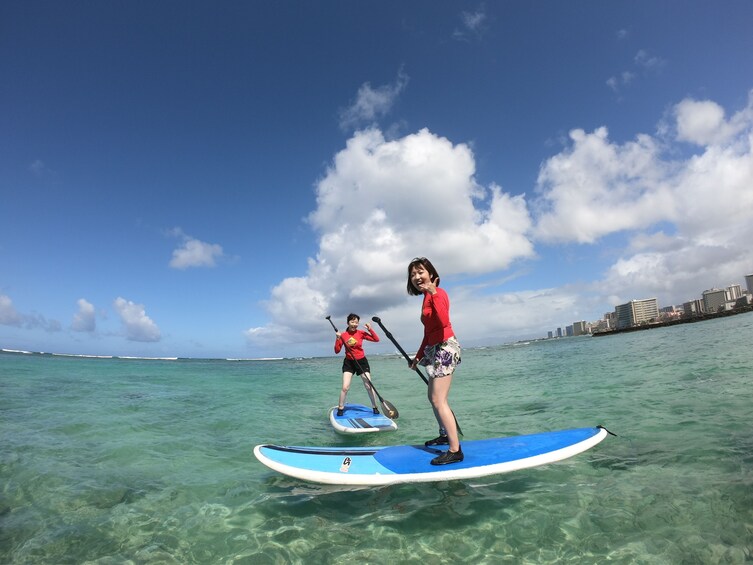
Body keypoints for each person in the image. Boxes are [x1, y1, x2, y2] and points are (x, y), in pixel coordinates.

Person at [407, 257, 463, 465]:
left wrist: (433, 292)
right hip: (433, 347)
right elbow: (428, 331)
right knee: (432, 397)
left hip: (445, 347)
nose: (416, 277)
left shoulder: (439, 293)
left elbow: (443, 320)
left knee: (439, 399)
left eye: (420, 272)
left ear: (431, 273)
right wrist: (419, 356)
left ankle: (455, 450)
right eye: (412, 275)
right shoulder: (426, 297)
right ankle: (444, 434)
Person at [334, 313, 380, 417]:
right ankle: (340, 408)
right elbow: (337, 351)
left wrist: (370, 329)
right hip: (349, 362)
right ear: (348, 323)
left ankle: (375, 407)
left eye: (356, 322)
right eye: (352, 322)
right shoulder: (343, 335)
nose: (354, 324)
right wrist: (337, 339)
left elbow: (376, 339)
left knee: (369, 385)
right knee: (345, 387)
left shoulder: (361, 333)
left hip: (361, 361)